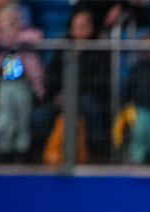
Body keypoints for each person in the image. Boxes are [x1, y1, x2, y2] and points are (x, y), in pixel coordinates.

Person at [44, 7, 112, 162]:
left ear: (91, 28)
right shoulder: (63, 47)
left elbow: (99, 81)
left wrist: (73, 93)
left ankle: (96, 153)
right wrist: (57, 94)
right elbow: (52, 75)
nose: (80, 29)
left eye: (84, 26)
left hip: (86, 96)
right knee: (43, 113)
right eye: (77, 26)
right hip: (62, 95)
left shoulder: (98, 50)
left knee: (89, 104)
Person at [0, 2, 45, 163]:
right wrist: (1, 35)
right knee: (4, 120)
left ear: (19, 24)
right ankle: (4, 150)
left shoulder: (24, 42)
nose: (9, 29)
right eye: (4, 25)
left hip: (23, 85)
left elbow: (37, 35)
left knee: (22, 119)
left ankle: (22, 152)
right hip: (5, 86)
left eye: (13, 24)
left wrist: (16, 38)